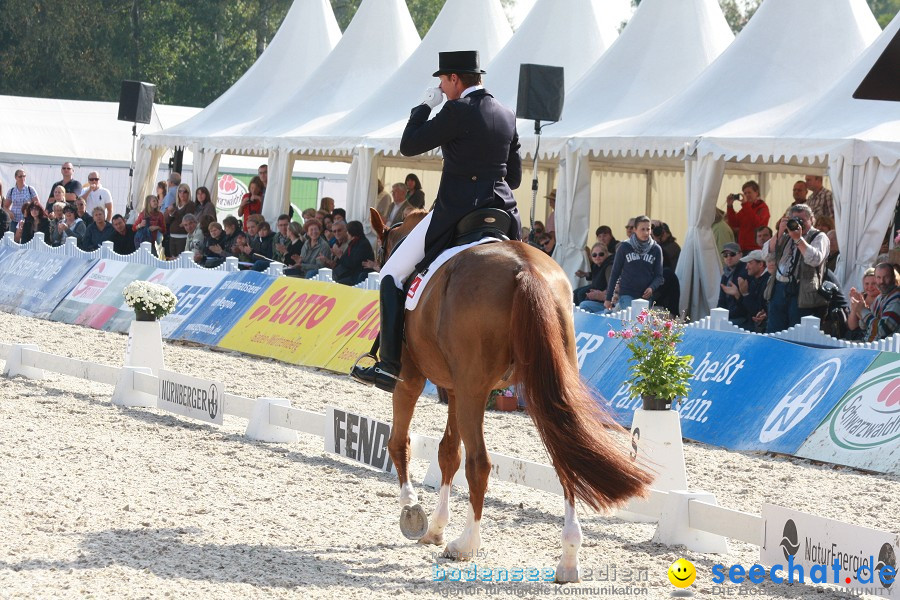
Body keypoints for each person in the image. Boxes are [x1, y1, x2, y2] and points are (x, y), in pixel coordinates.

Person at [352, 50, 522, 392]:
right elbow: (514, 177)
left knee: (391, 274)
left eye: (443, 82)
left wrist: (424, 108)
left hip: (456, 212)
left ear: (455, 79)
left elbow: (409, 145)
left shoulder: (456, 110)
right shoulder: (507, 114)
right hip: (504, 215)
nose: (442, 88)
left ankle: (387, 365)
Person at [765, 203, 829, 333]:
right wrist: (779, 232)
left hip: (801, 292)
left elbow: (815, 259)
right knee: (774, 332)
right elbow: (766, 254)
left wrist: (799, 239)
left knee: (796, 334)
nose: (798, 224)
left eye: (803, 220)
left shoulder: (819, 237)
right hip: (778, 288)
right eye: (795, 220)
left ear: (812, 220)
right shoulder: (785, 235)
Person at [604, 215, 664, 311]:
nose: (645, 232)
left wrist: (652, 288)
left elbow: (659, 276)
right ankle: (618, 308)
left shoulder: (656, 249)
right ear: (635, 230)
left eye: (648, 229)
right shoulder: (625, 247)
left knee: (641, 323)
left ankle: (617, 310)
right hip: (627, 293)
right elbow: (615, 273)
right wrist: (608, 298)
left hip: (645, 296)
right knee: (632, 318)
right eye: (642, 229)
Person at [850, 263, 900, 342]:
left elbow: (882, 330)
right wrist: (860, 308)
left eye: (886, 277)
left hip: (884, 350)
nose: (882, 281)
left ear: (893, 278)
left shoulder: (896, 298)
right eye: (878, 277)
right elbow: (864, 326)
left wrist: (863, 311)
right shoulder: (880, 297)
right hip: (870, 345)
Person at [726, 180, 770, 252]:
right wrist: (730, 206)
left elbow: (758, 225)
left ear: (756, 193)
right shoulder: (746, 208)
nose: (746, 195)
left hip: (755, 249)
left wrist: (745, 205)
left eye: (749, 192)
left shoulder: (763, 208)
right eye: (745, 193)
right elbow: (734, 223)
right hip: (742, 248)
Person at [734, 249, 770, 332]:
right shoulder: (753, 279)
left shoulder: (767, 281)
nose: (746, 267)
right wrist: (738, 295)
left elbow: (756, 311)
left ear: (761, 264)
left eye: (750, 263)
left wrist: (745, 294)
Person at [716, 243, 749, 327]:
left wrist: (737, 294)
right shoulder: (725, 274)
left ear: (740, 255)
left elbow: (748, 303)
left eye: (732, 254)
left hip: (743, 318)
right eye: (725, 255)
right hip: (728, 317)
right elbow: (721, 300)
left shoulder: (746, 272)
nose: (729, 258)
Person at [576, 243, 614, 312]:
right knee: (576, 293)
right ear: (591, 257)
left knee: (583, 303)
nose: (597, 257)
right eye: (594, 255)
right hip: (598, 294)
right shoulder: (597, 265)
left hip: (608, 304)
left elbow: (612, 287)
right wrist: (586, 274)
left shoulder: (609, 267)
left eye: (601, 254)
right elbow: (597, 275)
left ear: (606, 254)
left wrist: (599, 295)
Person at [165, 183, 196, 258]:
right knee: (173, 259)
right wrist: (170, 213)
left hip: (183, 237)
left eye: (185, 191)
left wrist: (173, 213)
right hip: (172, 236)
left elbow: (184, 221)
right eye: (180, 191)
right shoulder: (175, 204)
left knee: (181, 260)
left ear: (188, 193)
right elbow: (168, 221)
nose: (182, 194)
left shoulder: (191, 205)